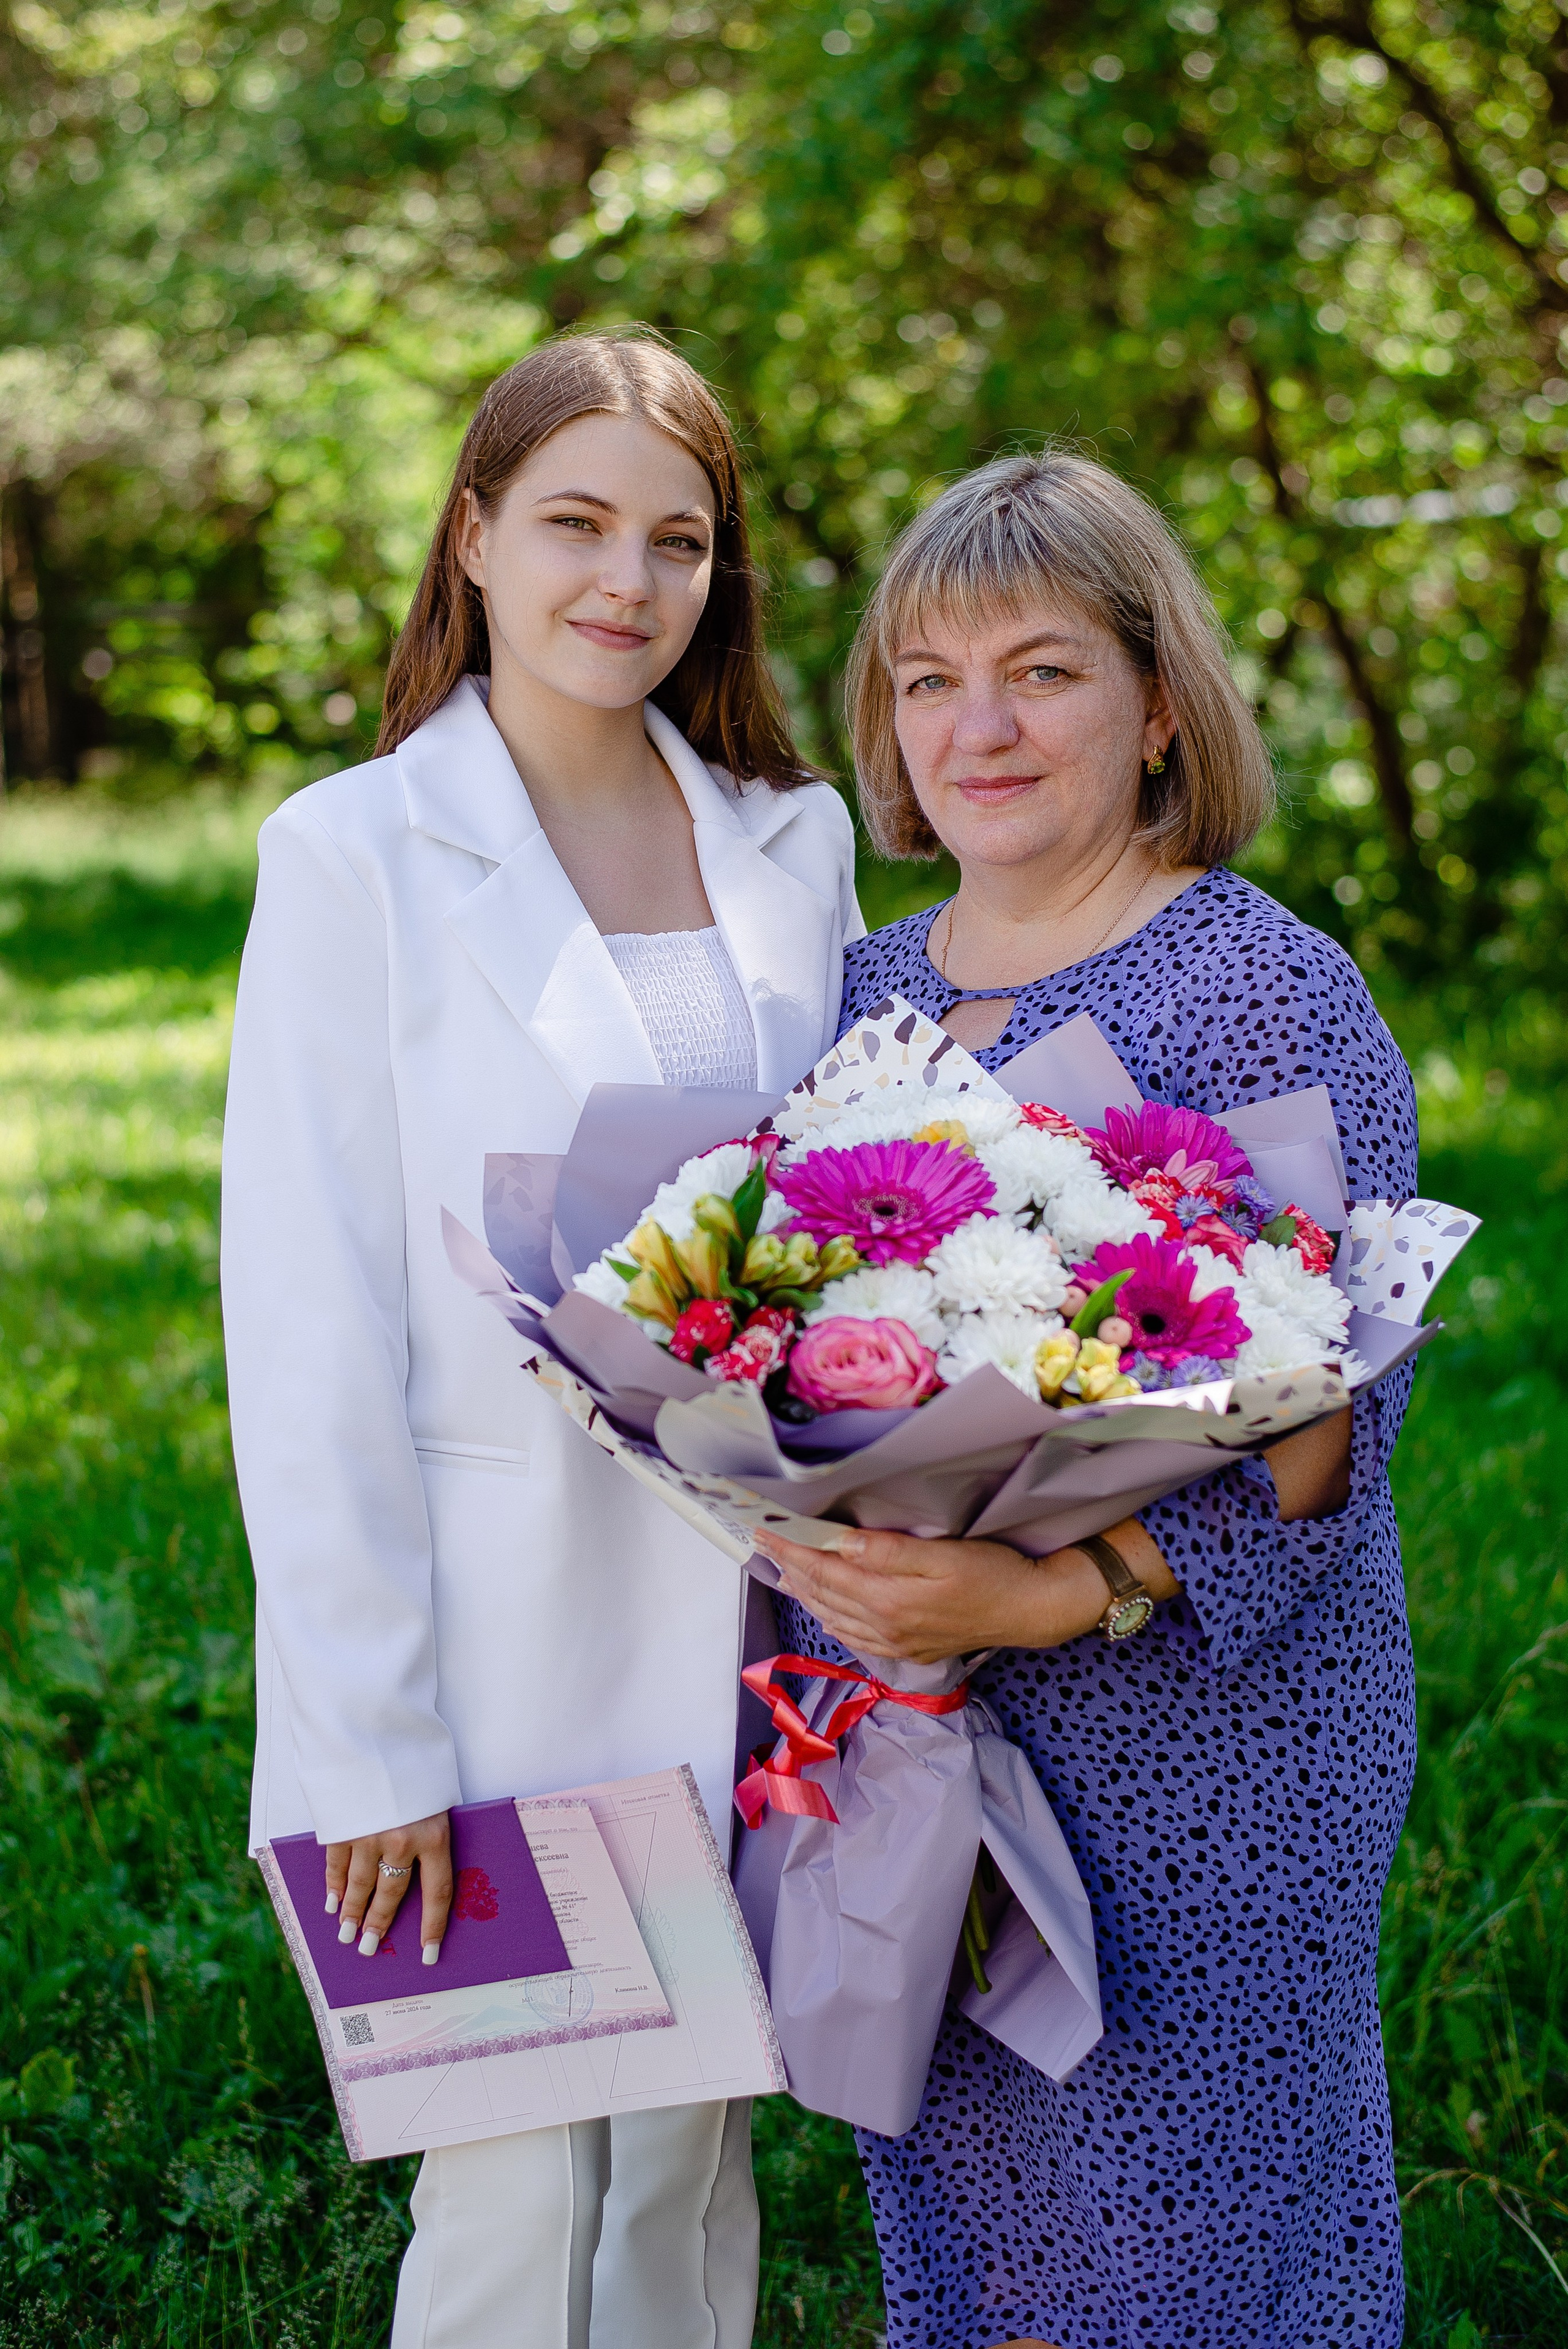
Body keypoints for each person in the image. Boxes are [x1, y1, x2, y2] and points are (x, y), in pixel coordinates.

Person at [221, 330, 862, 2349]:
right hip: (483, 1649)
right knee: (516, 2207)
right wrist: (372, 1741)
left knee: (682, 2189)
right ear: (474, 533)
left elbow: (848, 1233)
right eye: (576, 522)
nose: (627, 580)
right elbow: (306, 1318)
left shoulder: (795, 840)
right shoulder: (353, 852)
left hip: (754, 1640)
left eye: (679, 539)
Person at [750, 450, 1419, 2349]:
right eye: (929, 679)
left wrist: (1057, 1589)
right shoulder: (856, 996)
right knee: (979, 2274)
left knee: (1181, 2272)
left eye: (1040, 671)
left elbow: (1339, 1421)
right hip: (914, 1746)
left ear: (1157, 704)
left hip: (1205, 1760)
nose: (980, 727)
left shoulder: (1266, 991)